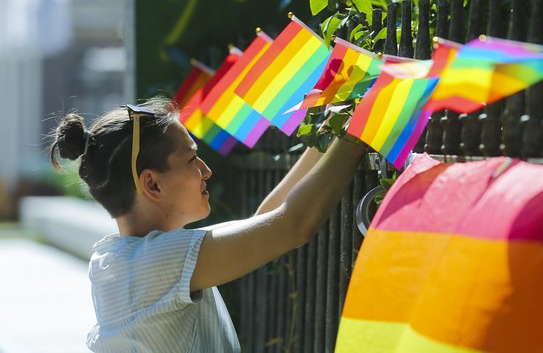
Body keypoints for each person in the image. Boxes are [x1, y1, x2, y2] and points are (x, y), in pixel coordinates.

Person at [49, 96, 365, 352]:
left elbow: (262, 222)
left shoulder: (121, 261)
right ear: (153, 185)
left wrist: (329, 133)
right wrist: (361, 126)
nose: (206, 170)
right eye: (191, 159)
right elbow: (292, 226)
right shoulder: (159, 262)